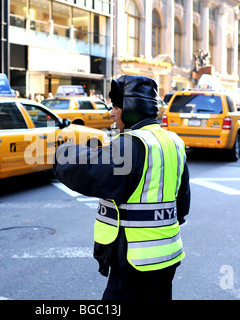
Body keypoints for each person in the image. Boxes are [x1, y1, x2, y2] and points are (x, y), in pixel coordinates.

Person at [53, 75, 191, 300]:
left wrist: (60, 153)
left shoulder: (133, 144)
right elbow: (182, 203)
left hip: (135, 262)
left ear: (131, 107)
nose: (111, 112)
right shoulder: (173, 141)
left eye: (116, 106)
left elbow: (91, 172)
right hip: (167, 257)